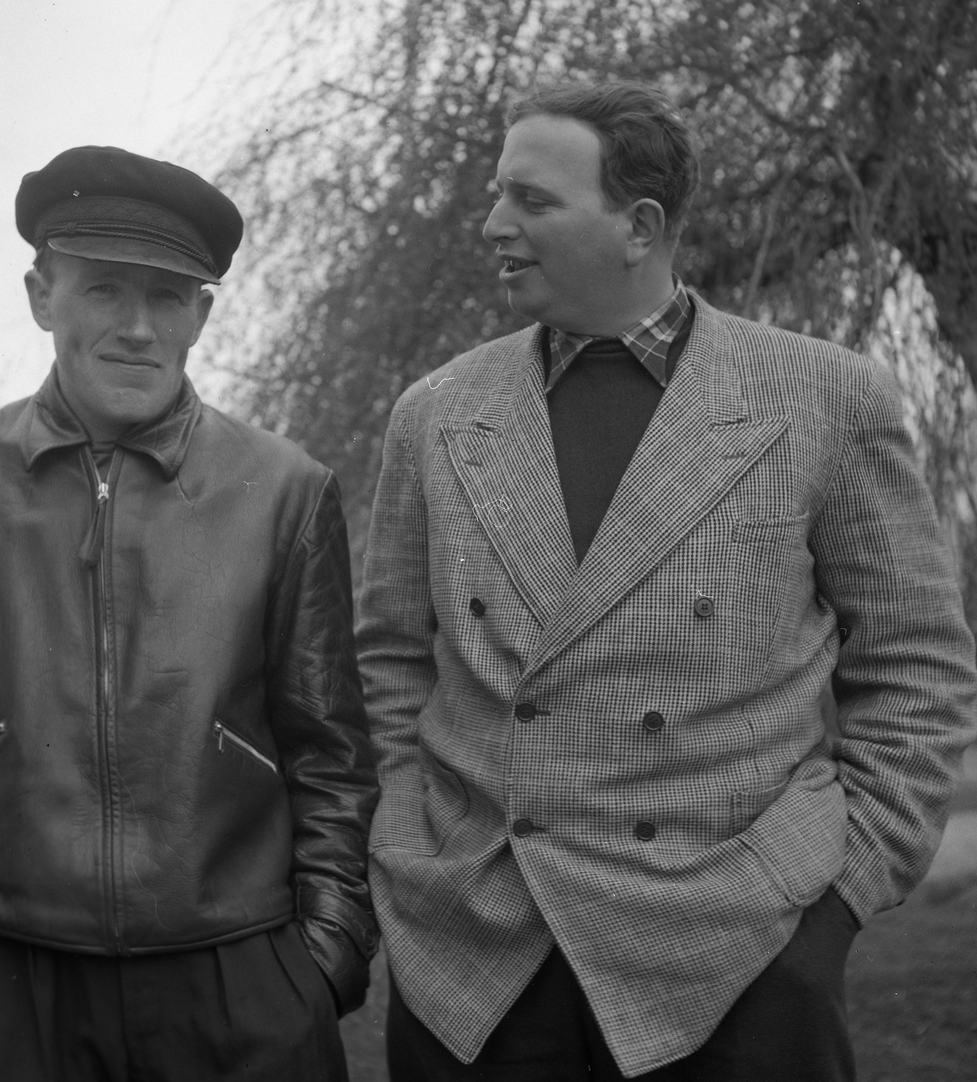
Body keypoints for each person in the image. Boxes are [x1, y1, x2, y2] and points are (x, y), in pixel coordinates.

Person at [357, 81, 976, 1081]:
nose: (494, 224)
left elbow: (916, 669)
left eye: (532, 200)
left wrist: (835, 902)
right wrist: (402, 843)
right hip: (475, 960)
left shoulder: (825, 397)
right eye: (497, 195)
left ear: (639, 227)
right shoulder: (433, 415)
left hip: (740, 956)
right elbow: (389, 659)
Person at [0, 146, 378, 1081]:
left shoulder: (286, 492)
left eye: (168, 296)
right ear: (41, 296)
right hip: (14, 979)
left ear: (201, 315)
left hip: (242, 975)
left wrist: (324, 953)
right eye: (103, 289)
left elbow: (331, 750)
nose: (138, 327)